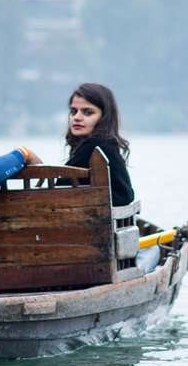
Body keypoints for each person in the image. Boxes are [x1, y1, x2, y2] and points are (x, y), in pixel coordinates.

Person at [62, 82, 161, 271]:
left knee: (150, 248)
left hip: (98, 237)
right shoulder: (95, 146)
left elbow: (124, 195)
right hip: (89, 239)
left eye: (87, 112)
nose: (77, 117)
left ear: (104, 117)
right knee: (153, 249)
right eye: (73, 111)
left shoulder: (97, 146)